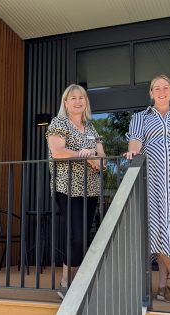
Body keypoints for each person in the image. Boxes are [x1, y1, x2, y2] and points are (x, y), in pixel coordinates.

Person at [124, 74, 170, 304]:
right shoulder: (140, 117)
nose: (162, 91)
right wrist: (132, 151)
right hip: (152, 182)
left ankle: (163, 288)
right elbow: (135, 141)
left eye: (166, 87)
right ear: (151, 92)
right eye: (157, 88)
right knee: (158, 230)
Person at [46, 84, 106, 299]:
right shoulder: (59, 123)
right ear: (66, 102)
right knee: (76, 236)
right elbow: (58, 151)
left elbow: (101, 156)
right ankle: (65, 281)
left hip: (90, 189)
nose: (78, 101)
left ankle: (76, 281)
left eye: (82, 97)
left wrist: (99, 162)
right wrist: (84, 155)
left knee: (83, 235)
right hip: (67, 187)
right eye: (73, 98)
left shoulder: (91, 127)